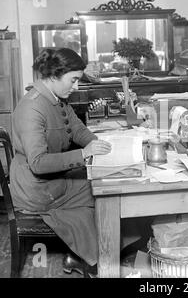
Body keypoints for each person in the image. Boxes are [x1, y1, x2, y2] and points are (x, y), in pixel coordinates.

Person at [10, 48, 145, 276]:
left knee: (109, 184)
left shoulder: (55, 98)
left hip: (51, 181)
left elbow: (77, 129)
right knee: (105, 191)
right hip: (37, 189)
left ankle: (89, 253)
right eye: (73, 80)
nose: (75, 87)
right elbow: (38, 164)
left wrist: (101, 146)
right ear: (53, 76)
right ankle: (96, 259)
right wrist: (84, 154)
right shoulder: (32, 108)